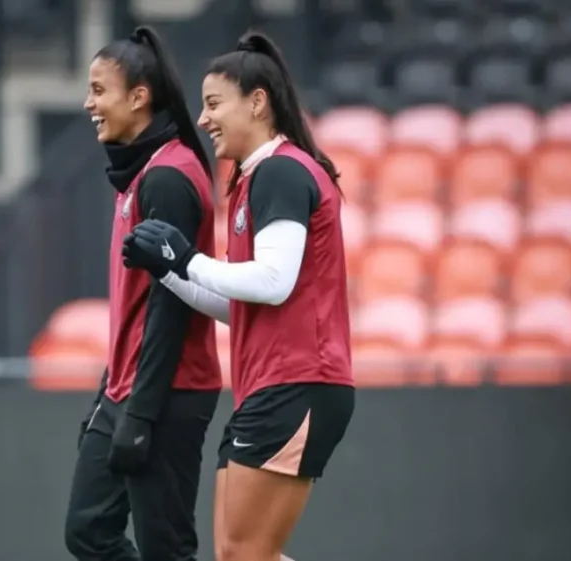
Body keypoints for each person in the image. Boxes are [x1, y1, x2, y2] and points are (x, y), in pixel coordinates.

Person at [121, 30, 355, 561]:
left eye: (212, 104)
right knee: (240, 555)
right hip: (275, 388)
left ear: (257, 101)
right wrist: (169, 272)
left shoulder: (280, 170)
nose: (202, 120)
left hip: (297, 383)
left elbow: (273, 282)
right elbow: (242, 307)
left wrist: (187, 259)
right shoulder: (256, 178)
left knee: (244, 555)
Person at [64, 26, 223, 561]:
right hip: (126, 390)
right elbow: (135, 309)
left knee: (166, 549)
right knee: (88, 530)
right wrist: (107, 395)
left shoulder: (168, 178)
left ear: (139, 97)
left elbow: (170, 306)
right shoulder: (142, 173)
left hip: (167, 394)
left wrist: (141, 414)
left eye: (99, 90)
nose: (89, 103)